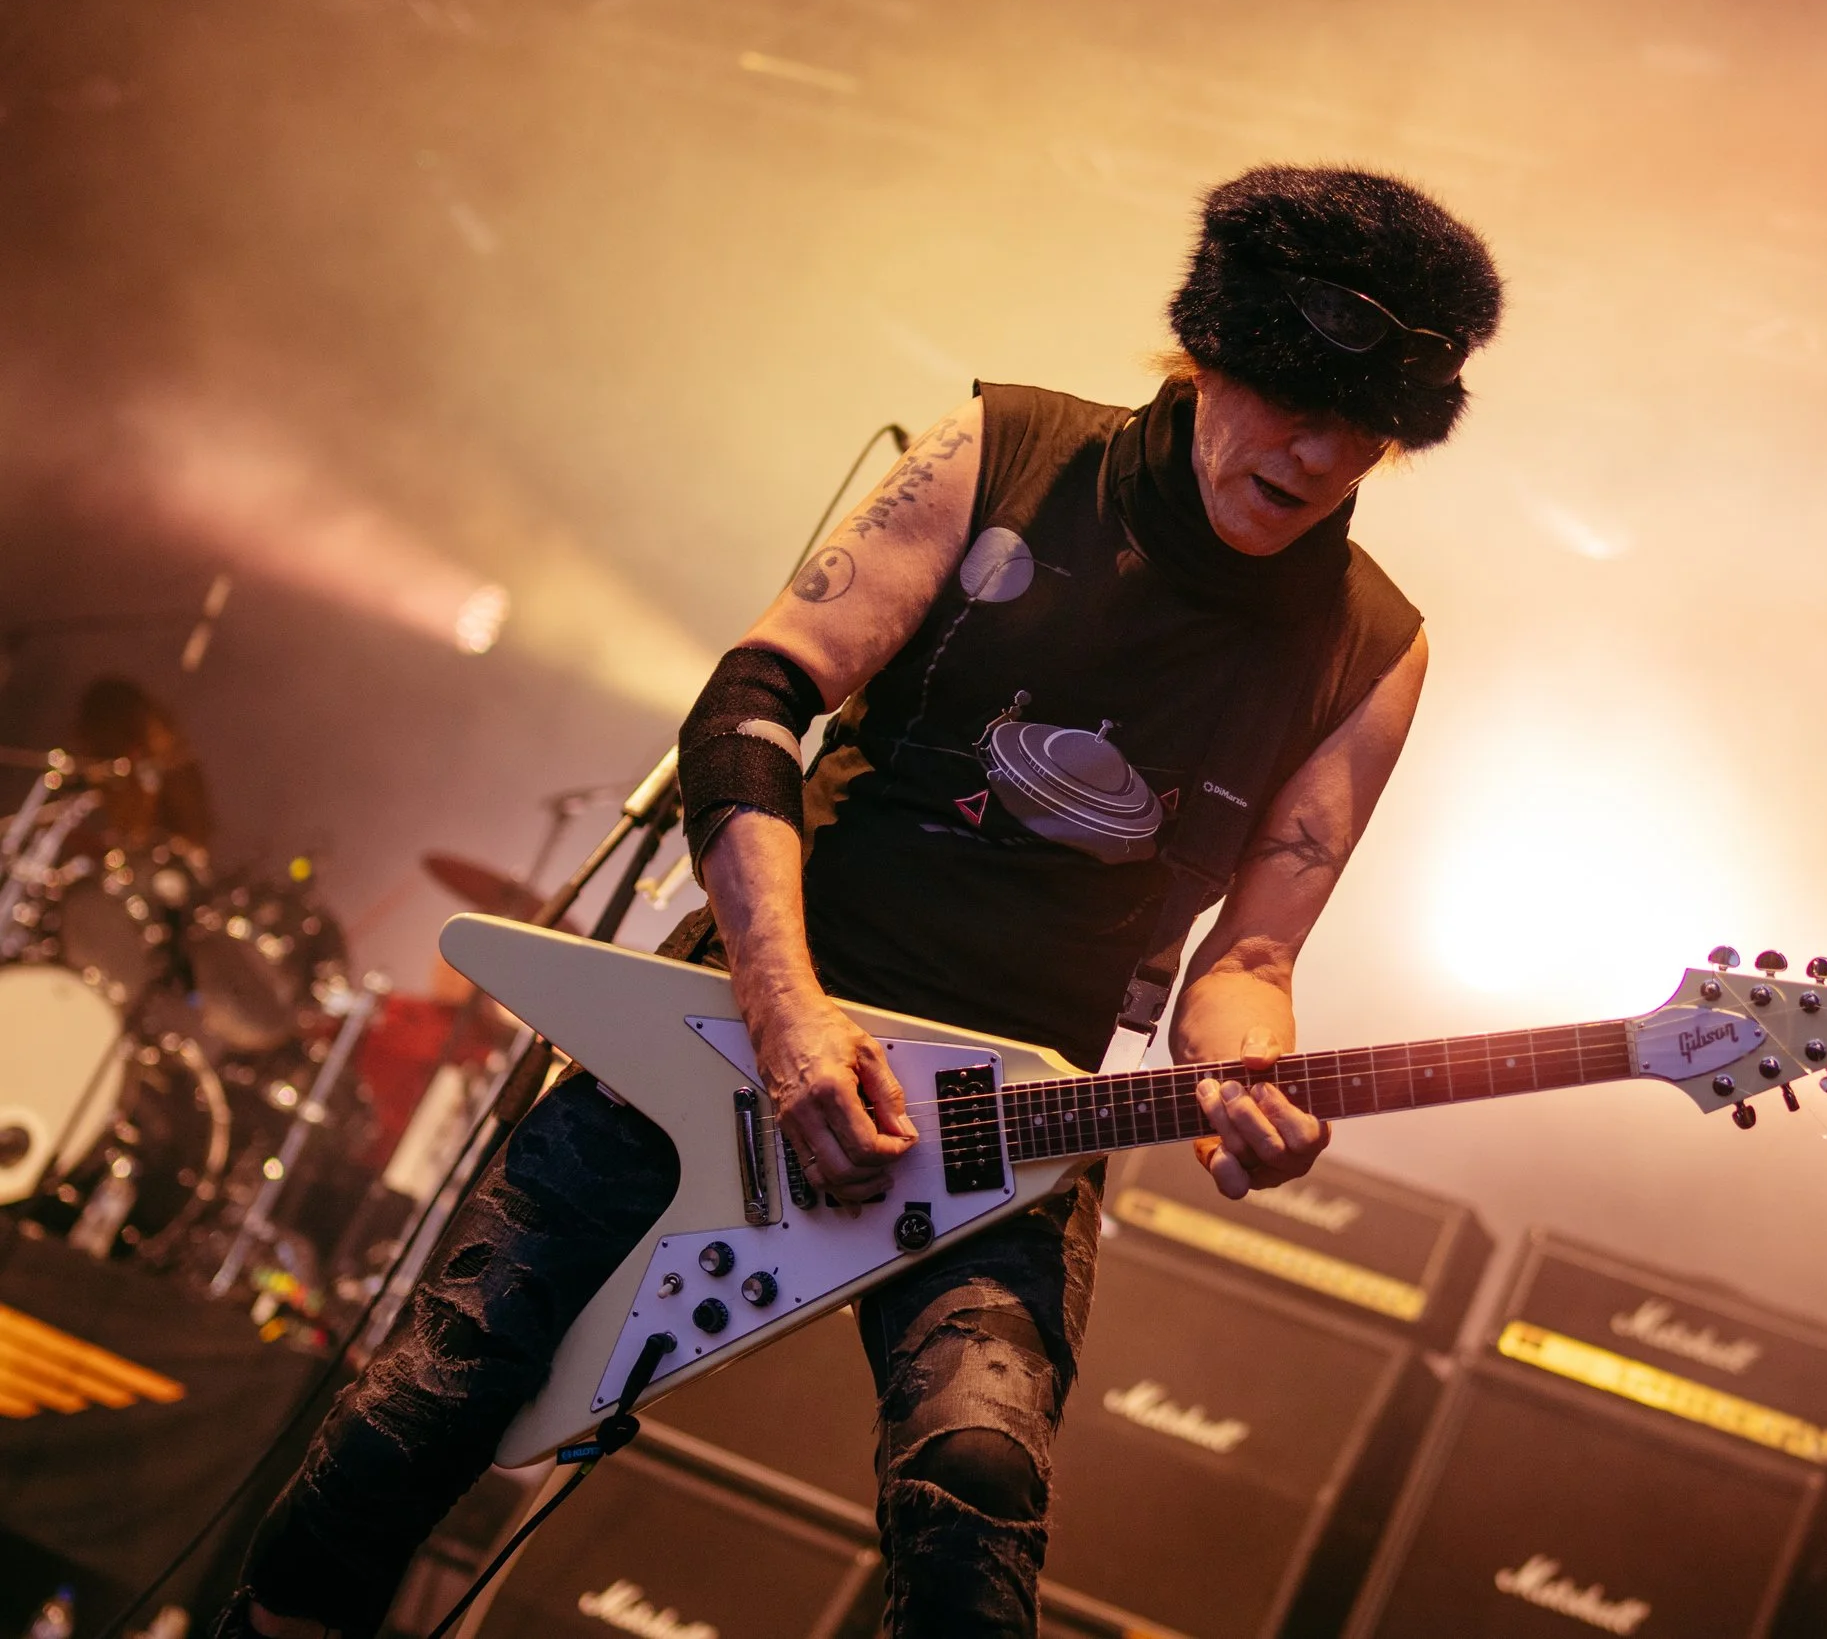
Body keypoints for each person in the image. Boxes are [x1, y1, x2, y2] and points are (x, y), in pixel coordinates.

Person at [221, 163, 1502, 1639]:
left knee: (977, 1497)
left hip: (1014, 1116)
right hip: (736, 1024)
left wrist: (1248, 1075)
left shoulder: (1371, 646)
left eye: (1364, 431)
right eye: (1292, 400)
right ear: (1210, 355)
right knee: (425, 1402)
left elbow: (1251, 955)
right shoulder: (1007, 453)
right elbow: (751, 704)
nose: (1320, 453)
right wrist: (789, 1020)